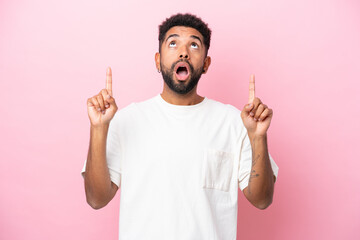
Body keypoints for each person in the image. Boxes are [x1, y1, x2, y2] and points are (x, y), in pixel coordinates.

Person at [81, 13, 279, 240]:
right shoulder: (125, 120)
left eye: (194, 45)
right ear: (157, 60)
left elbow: (262, 200)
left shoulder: (235, 122)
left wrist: (258, 138)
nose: (183, 51)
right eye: (173, 43)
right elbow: (96, 199)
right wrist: (97, 128)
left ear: (205, 64)